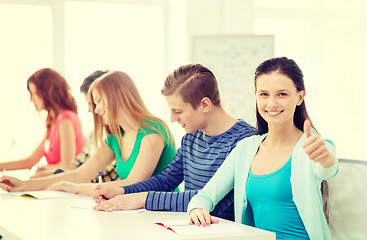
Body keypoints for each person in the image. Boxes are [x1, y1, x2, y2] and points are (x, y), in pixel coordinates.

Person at [187, 57, 339, 240]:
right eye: (264, 94)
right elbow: (206, 195)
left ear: (300, 97)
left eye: (282, 94)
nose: (272, 103)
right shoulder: (245, 149)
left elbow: (328, 169)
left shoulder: (313, 145)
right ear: (256, 96)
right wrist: (197, 209)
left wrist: (325, 159)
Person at [90, 64, 255, 222]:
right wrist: (121, 191)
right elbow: (165, 180)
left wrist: (144, 199)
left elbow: (213, 197)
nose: (172, 119)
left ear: (205, 104)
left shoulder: (245, 140)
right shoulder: (191, 138)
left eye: (178, 111)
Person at [0, 71, 176, 194]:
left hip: (159, 215)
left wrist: (71, 187)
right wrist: (24, 184)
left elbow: (134, 183)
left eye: (99, 101)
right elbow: (80, 173)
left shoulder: (152, 131)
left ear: (116, 98)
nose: (96, 110)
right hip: (132, 211)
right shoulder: (115, 137)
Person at [0, 68, 86, 175]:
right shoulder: (53, 123)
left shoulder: (65, 119)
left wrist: (44, 169)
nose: (32, 99)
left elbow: (67, 165)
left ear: (48, 93)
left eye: (35, 93)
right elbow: (30, 161)